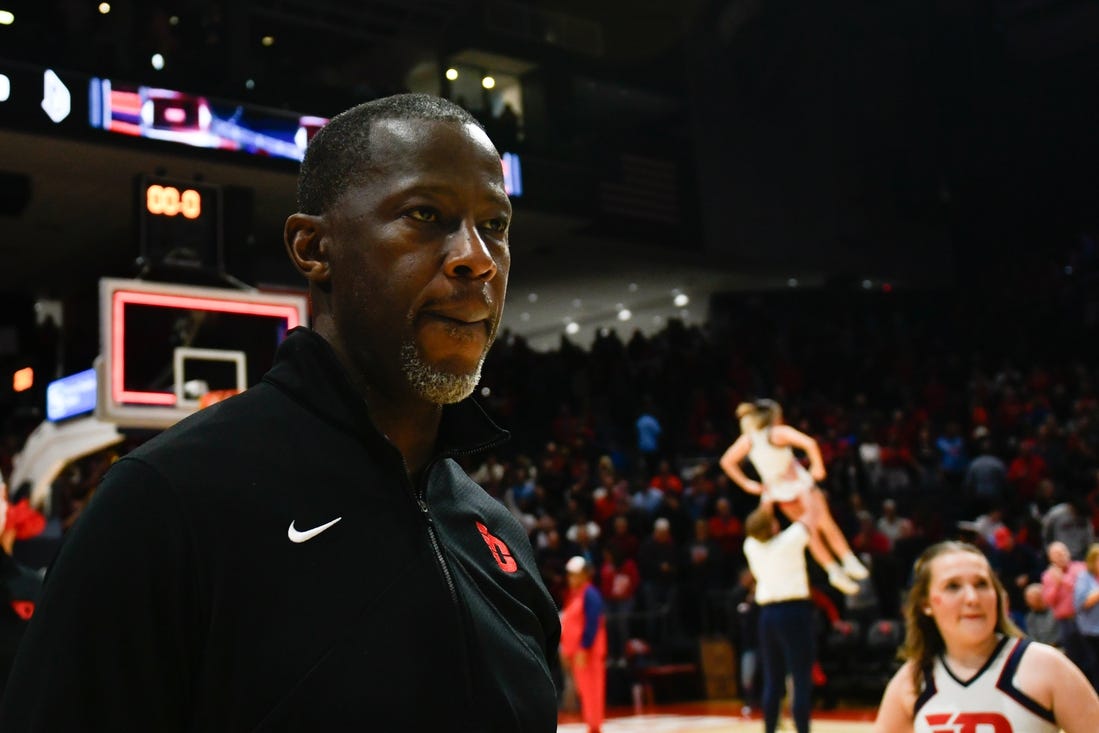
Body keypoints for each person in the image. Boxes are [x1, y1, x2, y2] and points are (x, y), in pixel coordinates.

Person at [0, 94, 561, 731]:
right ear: (312, 247)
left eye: (496, 225)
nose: (477, 257)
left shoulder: (498, 535)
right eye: (426, 215)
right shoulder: (165, 503)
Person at [872, 541, 1099, 733]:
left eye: (982, 584)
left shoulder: (1045, 665)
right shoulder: (911, 681)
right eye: (953, 586)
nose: (972, 598)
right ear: (926, 604)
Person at [721, 399, 867, 596]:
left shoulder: (749, 439)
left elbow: (727, 462)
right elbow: (810, 442)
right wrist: (818, 467)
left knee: (810, 533)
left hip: (780, 492)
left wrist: (748, 484)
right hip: (798, 486)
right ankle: (847, 560)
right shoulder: (777, 432)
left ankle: (834, 570)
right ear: (775, 416)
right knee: (824, 524)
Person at [741, 485, 823, 733]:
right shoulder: (789, 541)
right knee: (799, 676)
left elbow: (760, 521)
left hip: (766, 616)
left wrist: (769, 492)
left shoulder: (751, 546)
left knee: (773, 678)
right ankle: (802, 729)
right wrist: (805, 488)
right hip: (793, 612)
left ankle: (769, 729)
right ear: (773, 526)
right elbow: (812, 514)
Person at [560, 555, 607, 733]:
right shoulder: (574, 596)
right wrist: (566, 649)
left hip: (589, 653)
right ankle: (592, 726)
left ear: (585, 575)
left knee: (592, 690)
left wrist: (583, 648)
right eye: (570, 575)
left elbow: (592, 623)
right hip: (578, 655)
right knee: (585, 692)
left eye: (575, 574)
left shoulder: (590, 594)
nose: (571, 578)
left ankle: (595, 727)